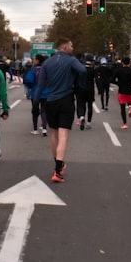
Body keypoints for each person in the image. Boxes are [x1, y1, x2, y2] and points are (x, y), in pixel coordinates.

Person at [34, 37, 86, 184]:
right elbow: (82, 70)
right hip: (66, 100)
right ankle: (58, 170)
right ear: (64, 47)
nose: (72, 47)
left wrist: (36, 102)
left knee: (54, 134)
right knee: (63, 135)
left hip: (50, 101)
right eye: (71, 45)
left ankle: (57, 163)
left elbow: (41, 84)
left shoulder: (47, 63)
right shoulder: (70, 60)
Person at [24, 54, 48, 136]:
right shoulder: (46, 71)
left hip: (35, 93)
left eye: (34, 59)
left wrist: (31, 88)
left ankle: (35, 129)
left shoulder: (33, 71)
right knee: (44, 110)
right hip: (45, 93)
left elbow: (28, 81)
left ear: (37, 61)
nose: (33, 60)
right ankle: (44, 128)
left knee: (35, 111)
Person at [113, 57, 131, 129]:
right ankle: (130, 106)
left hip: (122, 90)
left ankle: (125, 123)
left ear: (122, 62)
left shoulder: (119, 71)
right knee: (130, 102)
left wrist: (118, 83)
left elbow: (112, 79)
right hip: (130, 90)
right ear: (129, 63)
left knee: (122, 108)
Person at [74, 55, 96, 130]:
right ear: (92, 61)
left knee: (81, 104)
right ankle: (89, 122)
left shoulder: (80, 69)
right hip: (90, 89)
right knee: (90, 105)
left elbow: (76, 79)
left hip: (81, 89)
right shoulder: (92, 69)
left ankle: (81, 116)